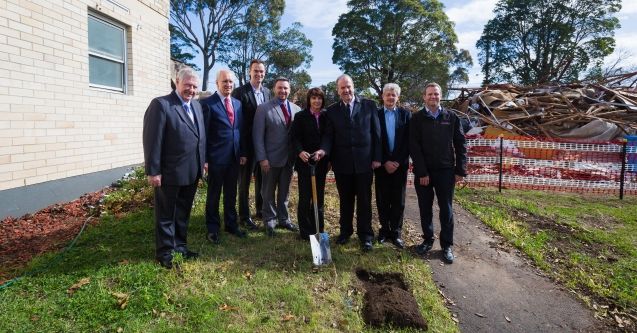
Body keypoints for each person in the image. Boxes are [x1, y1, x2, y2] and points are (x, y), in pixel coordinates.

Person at [142, 67, 206, 269]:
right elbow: (152, 140)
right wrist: (153, 171)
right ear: (177, 83)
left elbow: (199, 138)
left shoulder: (196, 106)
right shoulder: (161, 105)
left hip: (191, 171)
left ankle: (180, 246)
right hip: (169, 172)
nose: (192, 89)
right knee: (166, 215)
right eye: (188, 85)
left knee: (183, 212)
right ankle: (164, 253)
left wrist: (202, 163)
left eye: (195, 86)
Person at [315, 74, 381, 252]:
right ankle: (345, 232)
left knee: (365, 201)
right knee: (345, 201)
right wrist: (324, 151)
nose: (346, 90)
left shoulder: (369, 105)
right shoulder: (332, 111)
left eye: (349, 86)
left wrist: (376, 157)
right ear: (338, 91)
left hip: (365, 163)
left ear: (353, 86)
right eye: (342, 88)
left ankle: (366, 235)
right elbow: (328, 136)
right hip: (342, 164)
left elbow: (376, 133)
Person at [410, 82, 467, 264]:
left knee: (446, 209)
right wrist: (422, 172)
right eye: (429, 94)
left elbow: (461, 144)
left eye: (436, 94)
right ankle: (427, 240)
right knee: (425, 208)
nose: (433, 97)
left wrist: (460, 170)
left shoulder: (451, 117)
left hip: (446, 171)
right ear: (424, 97)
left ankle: (447, 245)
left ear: (441, 95)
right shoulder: (417, 119)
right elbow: (414, 147)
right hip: (424, 173)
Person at [200, 69, 247, 244]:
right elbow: (203, 134)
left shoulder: (237, 104)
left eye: (230, 82)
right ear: (217, 83)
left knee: (230, 193)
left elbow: (239, 130)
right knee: (213, 194)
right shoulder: (207, 104)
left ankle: (231, 224)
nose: (228, 84)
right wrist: (204, 159)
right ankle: (212, 228)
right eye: (224, 81)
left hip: (234, 157)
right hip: (215, 158)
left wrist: (242, 152)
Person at [253, 77, 301, 236]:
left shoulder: (296, 109)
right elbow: (257, 136)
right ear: (274, 89)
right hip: (270, 159)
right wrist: (262, 158)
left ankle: (284, 219)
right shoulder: (263, 108)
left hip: (289, 159)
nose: (283, 91)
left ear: (289, 90)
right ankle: (270, 221)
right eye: (280, 88)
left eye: (286, 88)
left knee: (284, 192)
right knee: (267, 192)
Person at [232, 59, 271, 229]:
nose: (259, 74)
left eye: (261, 71)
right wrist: (241, 149)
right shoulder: (240, 92)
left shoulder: (268, 92)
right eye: (256, 71)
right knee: (244, 182)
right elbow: (236, 122)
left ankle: (261, 210)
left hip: (263, 145)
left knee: (262, 179)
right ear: (250, 72)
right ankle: (244, 215)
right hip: (246, 145)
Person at [375, 83, 411, 249]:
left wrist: (397, 161)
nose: (390, 97)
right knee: (382, 199)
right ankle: (384, 230)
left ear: (398, 97)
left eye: (393, 95)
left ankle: (396, 232)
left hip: (399, 165)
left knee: (398, 200)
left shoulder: (406, 115)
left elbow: (408, 142)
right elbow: (373, 140)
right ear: (382, 96)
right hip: (381, 165)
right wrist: (384, 161)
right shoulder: (375, 115)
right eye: (387, 94)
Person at [290, 87, 328, 240]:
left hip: (321, 162)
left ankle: (318, 228)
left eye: (319, 98)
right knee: (305, 198)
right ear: (309, 100)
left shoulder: (326, 116)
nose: (316, 101)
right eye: (313, 98)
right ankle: (305, 232)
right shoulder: (300, 116)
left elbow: (328, 136)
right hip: (305, 162)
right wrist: (300, 152)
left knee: (318, 198)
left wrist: (323, 151)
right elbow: (294, 137)